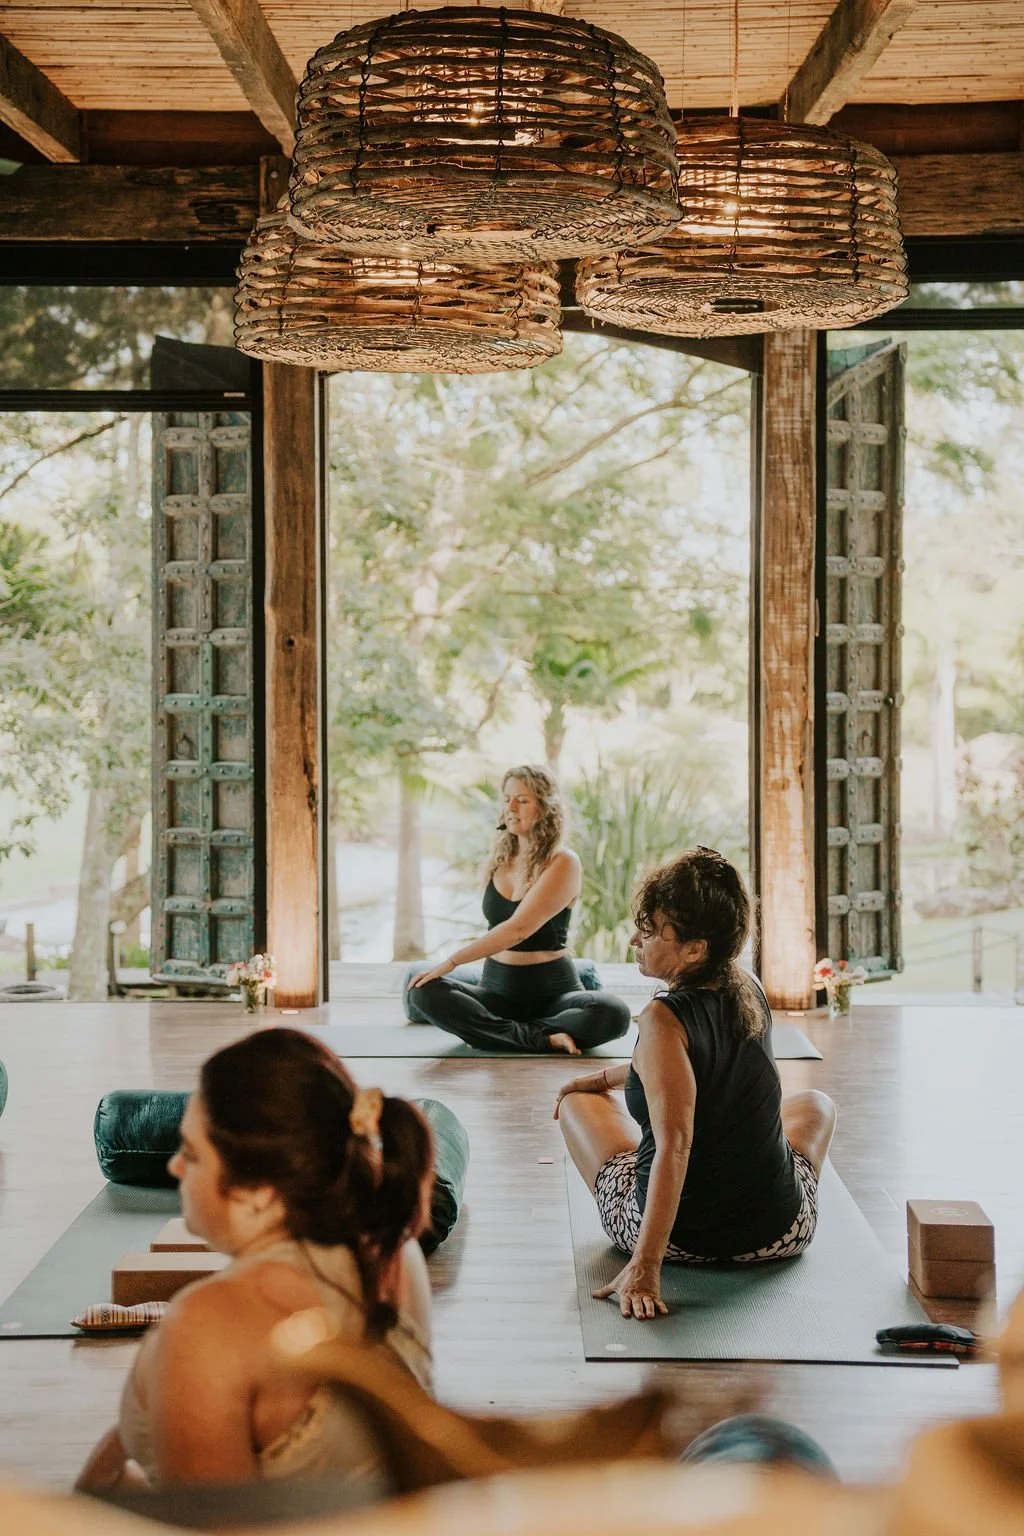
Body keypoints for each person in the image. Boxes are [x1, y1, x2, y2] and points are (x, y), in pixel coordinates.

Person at [76, 1029, 434, 1491]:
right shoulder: (395, 1253)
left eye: (192, 1154)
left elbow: (214, 1522)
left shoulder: (207, 1326)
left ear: (258, 1193)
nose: (174, 1167)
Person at [555, 847, 837, 1319]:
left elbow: (676, 1145)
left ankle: (654, 1239)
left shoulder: (662, 1018)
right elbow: (695, 1067)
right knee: (816, 1103)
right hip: (783, 1233)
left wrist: (646, 1265)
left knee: (575, 1105)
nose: (634, 940)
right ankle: (758, 1186)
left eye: (649, 933)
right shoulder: (747, 987)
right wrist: (603, 1076)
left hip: (676, 1244)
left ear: (694, 949)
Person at [406, 765, 630, 1055]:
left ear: (546, 808)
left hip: (554, 995)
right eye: (506, 799)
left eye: (522, 800)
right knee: (421, 991)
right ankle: (543, 1038)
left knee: (614, 1013)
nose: (511, 807)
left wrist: (451, 962)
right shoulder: (500, 859)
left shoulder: (563, 862)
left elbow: (519, 929)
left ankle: (496, 1034)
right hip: (495, 989)